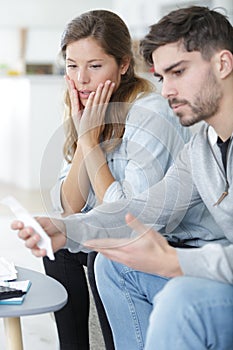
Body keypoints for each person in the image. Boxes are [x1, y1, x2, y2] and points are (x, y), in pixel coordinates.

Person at [11, 5, 233, 349]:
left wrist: (177, 262)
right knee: (107, 265)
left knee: (173, 294)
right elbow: (140, 208)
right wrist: (67, 229)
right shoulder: (201, 148)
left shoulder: (151, 113)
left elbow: (152, 222)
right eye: (162, 77)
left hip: (194, 250)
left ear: (223, 64)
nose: (166, 91)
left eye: (178, 72)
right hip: (189, 254)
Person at [39, 9, 190, 350]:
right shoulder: (90, 112)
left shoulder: (148, 111)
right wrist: (85, 137)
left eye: (95, 66)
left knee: (102, 250)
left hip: (162, 238)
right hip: (123, 230)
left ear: (123, 65)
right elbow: (69, 205)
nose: (81, 79)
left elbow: (130, 219)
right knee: (56, 246)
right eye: (72, 66)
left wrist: (90, 143)